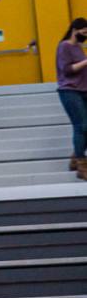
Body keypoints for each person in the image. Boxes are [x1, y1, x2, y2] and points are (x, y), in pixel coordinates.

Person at [58, 18, 87, 178]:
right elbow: (67, 70)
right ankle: (82, 165)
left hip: (83, 90)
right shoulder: (64, 46)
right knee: (81, 126)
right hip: (70, 90)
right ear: (75, 29)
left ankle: (76, 158)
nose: (85, 35)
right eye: (84, 32)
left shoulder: (78, 48)